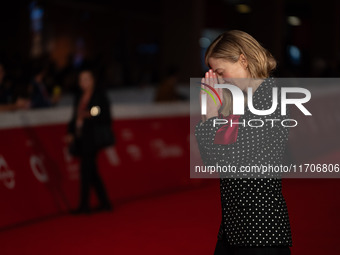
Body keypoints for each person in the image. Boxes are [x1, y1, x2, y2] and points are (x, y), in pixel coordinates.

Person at [194, 30, 292, 255]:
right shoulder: (238, 104)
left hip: (261, 232)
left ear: (243, 59)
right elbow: (212, 161)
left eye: (220, 72)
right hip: (233, 229)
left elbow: (233, 162)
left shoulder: (271, 97)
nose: (219, 80)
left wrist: (209, 113)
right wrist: (209, 115)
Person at [67, 69, 113, 214]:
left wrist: (90, 114)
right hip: (81, 137)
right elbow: (74, 116)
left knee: (86, 170)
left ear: (93, 80)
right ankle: (105, 202)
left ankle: (84, 206)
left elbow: (104, 115)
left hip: (93, 138)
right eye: (81, 80)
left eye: (86, 79)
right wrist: (70, 131)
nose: (83, 83)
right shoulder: (79, 96)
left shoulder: (99, 95)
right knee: (91, 172)